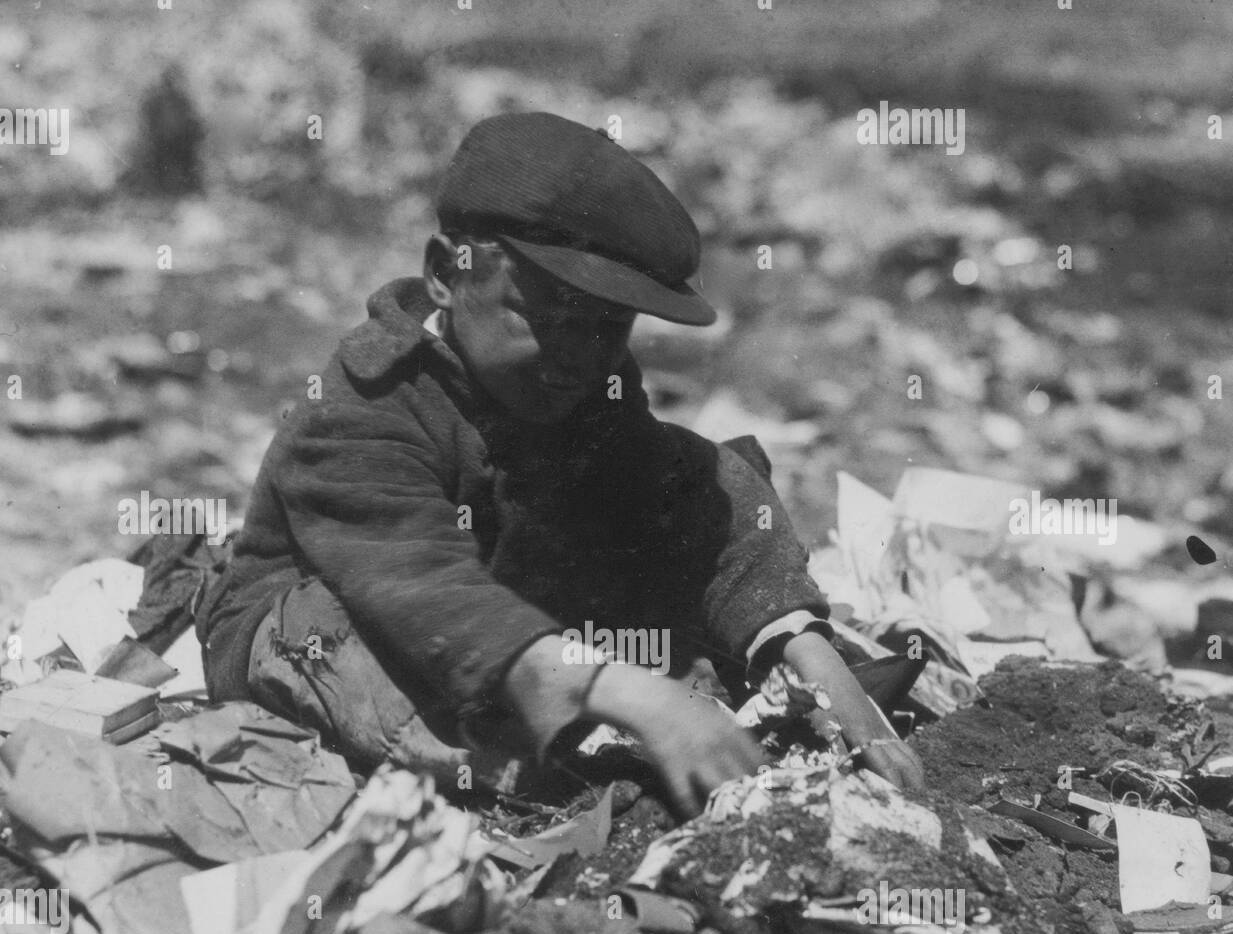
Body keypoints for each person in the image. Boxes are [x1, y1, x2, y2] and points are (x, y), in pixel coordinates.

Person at [197, 111, 925, 819]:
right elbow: (417, 586)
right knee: (329, 634)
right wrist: (634, 692)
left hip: (520, 624)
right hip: (359, 623)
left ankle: (599, 714)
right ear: (447, 272)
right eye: (543, 316)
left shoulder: (584, 382)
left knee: (701, 475)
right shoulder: (363, 401)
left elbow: (681, 494)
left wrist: (811, 658)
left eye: (607, 327)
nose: (577, 355)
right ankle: (527, 778)